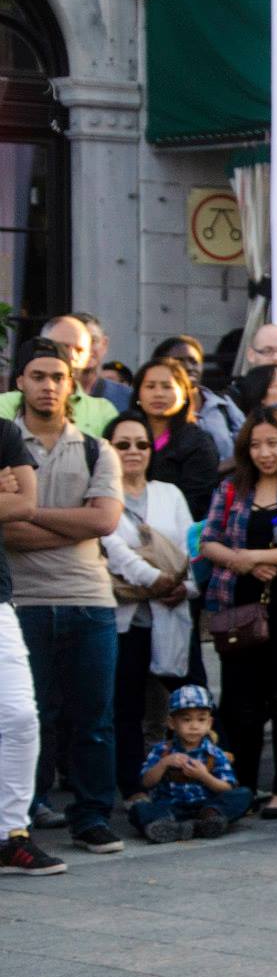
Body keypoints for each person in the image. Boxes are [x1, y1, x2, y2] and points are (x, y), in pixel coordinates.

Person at [6, 339, 124, 854]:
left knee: (93, 718)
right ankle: (21, 818)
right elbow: (5, 534)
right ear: (20, 383)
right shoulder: (5, 448)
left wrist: (26, 510)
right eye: (38, 376)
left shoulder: (99, 448)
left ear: (72, 384)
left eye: (58, 376)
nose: (48, 385)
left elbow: (105, 520)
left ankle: (93, 816)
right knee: (29, 716)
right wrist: (74, 527)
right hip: (23, 599)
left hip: (89, 598)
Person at [200, 407, 277, 817]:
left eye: (272, 443)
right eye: (255, 445)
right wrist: (248, 563)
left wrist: (253, 554)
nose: (264, 452)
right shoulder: (232, 489)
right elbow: (209, 542)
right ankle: (243, 784)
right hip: (238, 604)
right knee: (240, 699)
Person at [103, 411, 195, 794]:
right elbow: (114, 550)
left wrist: (185, 587)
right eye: (122, 444)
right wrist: (155, 579)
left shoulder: (169, 494)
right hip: (125, 620)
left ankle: (193, 782)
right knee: (125, 710)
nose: (133, 451)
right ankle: (131, 788)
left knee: (187, 704)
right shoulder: (102, 499)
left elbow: (192, 548)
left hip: (171, 613)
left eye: (141, 443)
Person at [0, 407, 53, 876]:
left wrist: (10, 498)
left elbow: (25, 504)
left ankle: (11, 832)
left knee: (18, 715)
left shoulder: (1, 432)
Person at [127, 686, 250, 842]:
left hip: (206, 805)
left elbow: (227, 787)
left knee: (243, 794)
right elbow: (146, 782)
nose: (194, 726)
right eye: (186, 720)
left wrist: (204, 776)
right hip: (170, 807)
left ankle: (209, 820)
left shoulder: (214, 753)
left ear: (209, 723)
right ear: (172, 723)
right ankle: (169, 826)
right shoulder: (162, 750)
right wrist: (163, 764)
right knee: (139, 808)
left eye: (201, 719)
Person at [132, 356, 222, 520]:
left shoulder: (198, 443)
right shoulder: (125, 434)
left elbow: (197, 502)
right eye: (150, 386)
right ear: (138, 393)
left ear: (184, 394)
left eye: (167, 387)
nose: (158, 394)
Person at [0, 315, 120, 435]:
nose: (72, 356)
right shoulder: (5, 405)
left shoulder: (103, 411)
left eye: (79, 350)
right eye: (63, 347)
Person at [154, 335, 244, 460]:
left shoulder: (224, 406)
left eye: (194, 361)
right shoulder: (157, 411)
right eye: (179, 361)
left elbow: (246, 446)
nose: (189, 367)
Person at [72, 314, 131, 412]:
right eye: (78, 341)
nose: (87, 348)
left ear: (104, 344)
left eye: (93, 340)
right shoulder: (51, 396)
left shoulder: (126, 397)